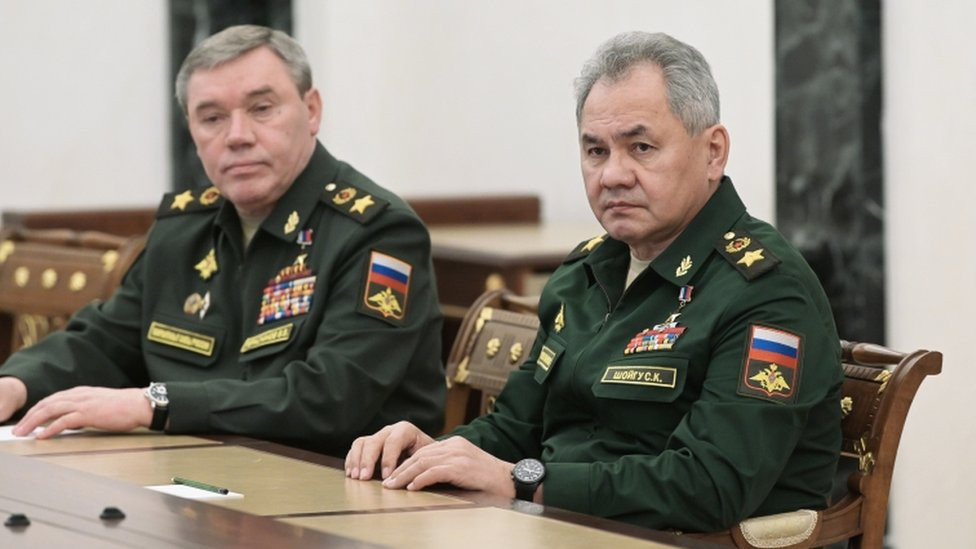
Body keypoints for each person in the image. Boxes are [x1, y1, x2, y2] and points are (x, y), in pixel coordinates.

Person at [345, 31, 843, 533]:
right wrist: (434, 455)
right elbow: (514, 428)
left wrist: (524, 483)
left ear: (713, 152)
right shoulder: (584, 275)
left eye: (641, 147)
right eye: (596, 151)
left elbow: (709, 485)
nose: (613, 175)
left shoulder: (766, 290)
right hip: (555, 529)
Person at [0, 25, 445, 456]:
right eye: (212, 118)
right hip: (193, 479)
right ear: (192, 132)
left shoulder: (377, 233)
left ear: (311, 111)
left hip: (339, 494)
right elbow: (108, 341)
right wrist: (18, 382)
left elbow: (329, 400)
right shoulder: (185, 228)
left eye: (261, 109)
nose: (237, 136)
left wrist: (154, 405)